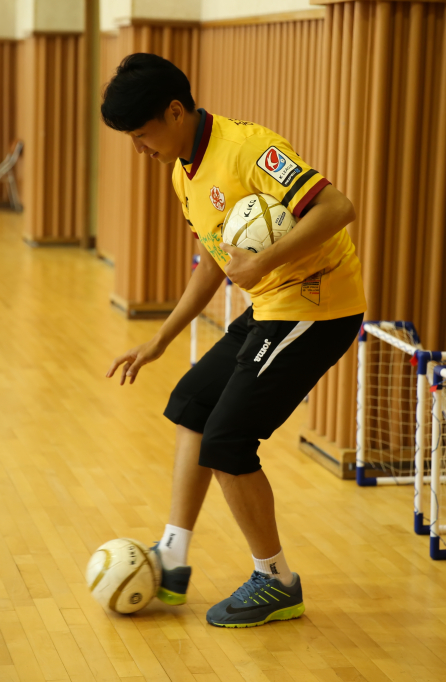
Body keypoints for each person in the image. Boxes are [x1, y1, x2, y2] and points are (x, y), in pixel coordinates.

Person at [102, 54, 366, 628]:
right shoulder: (182, 170)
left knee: (227, 440)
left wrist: (264, 262)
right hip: (271, 306)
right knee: (192, 402)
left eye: (142, 135)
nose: (139, 149)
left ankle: (276, 581)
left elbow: (338, 207)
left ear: (175, 112)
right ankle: (172, 557)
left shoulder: (250, 149)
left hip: (317, 307)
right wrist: (163, 338)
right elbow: (215, 263)